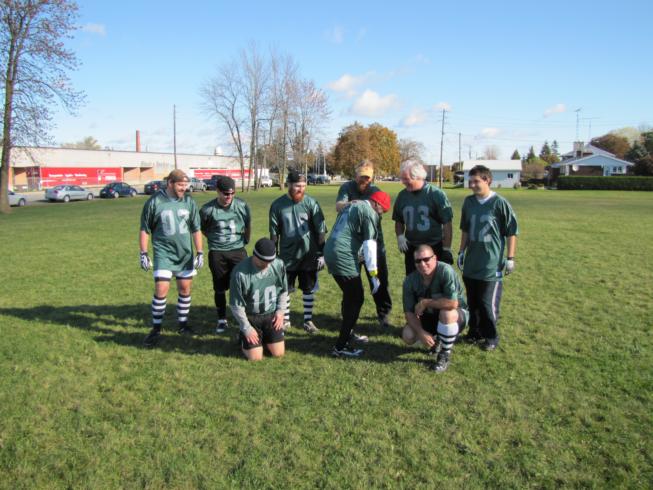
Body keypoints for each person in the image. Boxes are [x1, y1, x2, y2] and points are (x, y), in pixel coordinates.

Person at [458, 165, 519, 351]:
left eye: (476, 181)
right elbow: (465, 229)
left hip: (491, 262)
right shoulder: (469, 202)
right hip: (472, 261)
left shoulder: (499, 203)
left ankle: (491, 336)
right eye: (470, 181)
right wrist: (461, 251)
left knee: (487, 303)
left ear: (488, 180)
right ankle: (474, 332)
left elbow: (511, 231)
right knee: (473, 301)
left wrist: (510, 257)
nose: (472, 185)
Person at [139, 169, 203, 347]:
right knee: (161, 289)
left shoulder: (189, 202)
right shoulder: (154, 201)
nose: (184, 188)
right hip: (163, 253)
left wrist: (200, 252)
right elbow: (145, 229)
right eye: (180, 185)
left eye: (186, 185)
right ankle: (156, 329)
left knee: (185, 289)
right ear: (170, 183)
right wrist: (143, 253)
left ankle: (183, 325)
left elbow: (196, 229)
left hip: (184, 254)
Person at [324, 190, 392, 358]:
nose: (380, 215)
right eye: (382, 211)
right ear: (377, 204)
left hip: (331, 250)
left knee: (350, 296)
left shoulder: (352, 206)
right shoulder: (369, 212)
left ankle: (349, 333)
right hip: (343, 255)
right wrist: (374, 274)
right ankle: (341, 346)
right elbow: (370, 246)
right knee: (356, 298)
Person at [335, 160, 392, 331]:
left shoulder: (375, 191)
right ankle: (348, 314)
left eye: (367, 178)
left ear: (371, 178)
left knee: (379, 279)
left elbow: (378, 213)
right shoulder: (347, 188)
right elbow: (338, 206)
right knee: (351, 281)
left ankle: (383, 313)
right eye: (361, 177)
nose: (364, 180)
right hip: (352, 244)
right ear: (355, 175)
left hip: (373, 241)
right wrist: (351, 204)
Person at [269, 171, 327, 334]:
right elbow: (274, 233)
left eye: (303, 185)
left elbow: (320, 230)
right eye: (297, 186)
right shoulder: (277, 205)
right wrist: (273, 256)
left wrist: (322, 253)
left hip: (308, 254)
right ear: (288, 184)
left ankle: (308, 320)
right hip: (287, 255)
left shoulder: (311, 203)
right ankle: (286, 320)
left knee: (308, 288)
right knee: (285, 289)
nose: (301, 189)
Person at [402, 245, 468, 372]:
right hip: (430, 316)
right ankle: (437, 342)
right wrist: (421, 332)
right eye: (418, 261)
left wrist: (426, 302)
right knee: (407, 335)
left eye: (426, 259)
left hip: (456, 315)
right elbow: (409, 313)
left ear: (435, 258)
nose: (422, 264)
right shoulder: (410, 280)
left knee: (446, 314)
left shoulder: (445, 271)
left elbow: (453, 303)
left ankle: (444, 354)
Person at [200, 175, 251, 334]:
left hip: (237, 250)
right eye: (226, 194)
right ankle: (222, 319)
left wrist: (245, 241)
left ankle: (245, 318)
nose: (229, 197)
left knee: (244, 285)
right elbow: (202, 228)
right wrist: (215, 240)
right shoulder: (207, 209)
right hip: (218, 252)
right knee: (220, 287)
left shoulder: (242, 205)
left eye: (232, 193)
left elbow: (248, 224)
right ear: (217, 191)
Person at [229, 238, 289, 361]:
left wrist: (280, 311)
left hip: (270, 315)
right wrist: (246, 328)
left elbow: (283, 291)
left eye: (270, 261)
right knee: (255, 358)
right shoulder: (240, 273)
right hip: (251, 317)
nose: (267, 265)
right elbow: (236, 305)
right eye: (263, 262)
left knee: (278, 353)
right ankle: (241, 338)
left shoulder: (278, 265)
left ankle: (264, 338)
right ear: (255, 256)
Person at [392, 159, 454, 275]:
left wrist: (446, 249)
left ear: (418, 177)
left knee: (435, 282)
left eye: (406, 179)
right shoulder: (402, 196)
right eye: (402, 178)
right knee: (413, 282)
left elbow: (447, 223)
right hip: (412, 248)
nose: (403, 182)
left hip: (434, 247)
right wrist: (400, 236)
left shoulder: (436, 194)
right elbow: (399, 220)